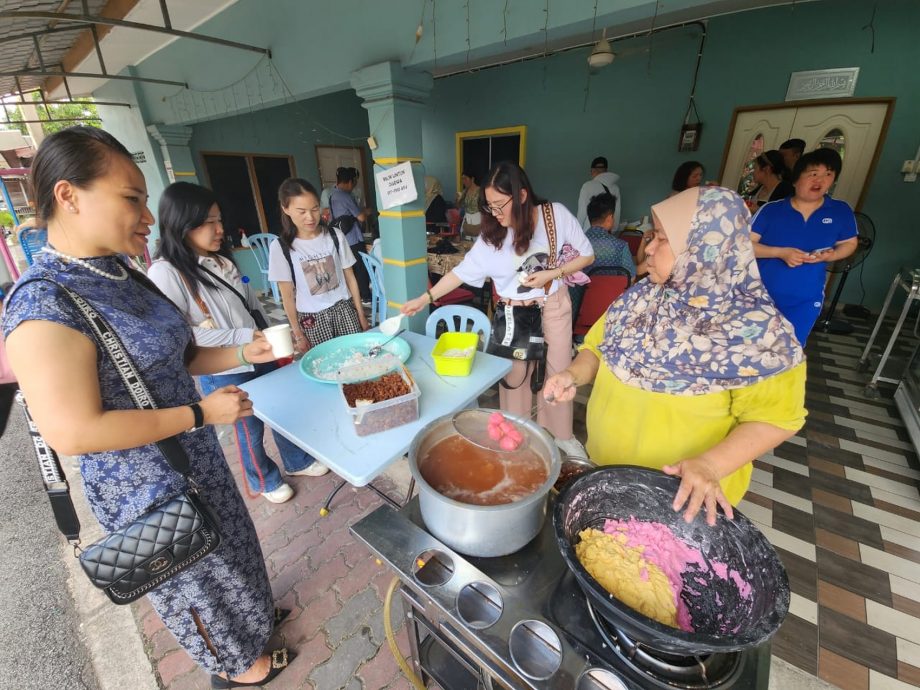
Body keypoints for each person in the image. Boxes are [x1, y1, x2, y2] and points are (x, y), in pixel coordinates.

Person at [2, 127, 295, 685]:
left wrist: (242, 349)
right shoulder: (43, 304)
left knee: (232, 551)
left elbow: (175, 355)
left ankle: (254, 624)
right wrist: (200, 416)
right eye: (131, 198)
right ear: (69, 195)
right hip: (143, 485)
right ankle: (239, 665)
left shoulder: (121, 273)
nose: (146, 214)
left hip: (193, 456)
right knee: (197, 579)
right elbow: (73, 431)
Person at [544, 186, 806, 525]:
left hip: (679, 501)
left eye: (662, 240)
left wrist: (711, 465)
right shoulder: (641, 297)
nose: (648, 249)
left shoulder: (758, 332)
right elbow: (597, 347)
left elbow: (776, 419)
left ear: (706, 247)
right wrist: (573, 375)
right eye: (652, 236)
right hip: (606, 470)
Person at [148, 182, 329, 504]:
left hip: (259, 352)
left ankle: (296, 461)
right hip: (223, 367)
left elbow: (250, 303)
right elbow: (179, 334)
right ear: (182, 223)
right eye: (210, 222)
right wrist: (243, 337)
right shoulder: (167, 273)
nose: (220, 230)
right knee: (249, 426)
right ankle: (263, 479)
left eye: (220, 220)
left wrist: (272, 331)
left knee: (281, 409)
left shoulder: (222, 261)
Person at [402, 161, 595, 459]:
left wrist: (550, 274)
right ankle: (518, 437)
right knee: (515, 379)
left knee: (558, 372)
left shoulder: (553, 214)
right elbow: (461, 273)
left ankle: (560, 438)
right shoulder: (491, 235)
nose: (494, 213)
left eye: (499, 204)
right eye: (489, 206)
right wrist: (425, 298)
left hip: (552, 307)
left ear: (521, 195)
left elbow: (587, 254)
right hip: (512, 315)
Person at [750, 150, 857, 345]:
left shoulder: (840, 212)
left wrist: (830, 255)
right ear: (796, 179)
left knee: (791, 350)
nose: (820, 180)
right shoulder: (771, 211)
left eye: (829, 174)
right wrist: (780, 253)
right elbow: (744, 246)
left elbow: (849, 244)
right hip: (759, 296)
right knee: (752, 348)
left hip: (804, 298)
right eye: (813, 174)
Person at [269, 177, 368, 355]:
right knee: (324, 366)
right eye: (302, 211)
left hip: (344, 310)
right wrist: (298, 333)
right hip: (312, 319)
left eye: (314, 209)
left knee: (356, 359)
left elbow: (350, 278)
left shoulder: (335, 235)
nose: (310, 217)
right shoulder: (281, 247)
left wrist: (360, 314)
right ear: (286, 209)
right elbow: (287, 295)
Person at [328, 167, 372, 303]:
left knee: (349, 268)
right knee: (361, 268)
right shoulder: (345, 196)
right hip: (353, 238)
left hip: (341, 237)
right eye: (354, 183)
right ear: (350, 181)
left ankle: (354, 294)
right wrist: (366, 212)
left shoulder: (332, 195)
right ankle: (366, 296)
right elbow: (361, 218)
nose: (354, 186)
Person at [575, 156, 622, 231]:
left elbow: (582, 211)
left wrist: (577, 230)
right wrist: (613, 230)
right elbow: (617, 212)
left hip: (589, 231)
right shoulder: (615, 188)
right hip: (608, 230)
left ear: (593, 170)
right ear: (606, 170)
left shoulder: (587, 186)